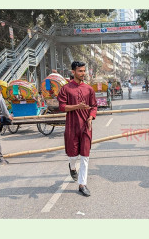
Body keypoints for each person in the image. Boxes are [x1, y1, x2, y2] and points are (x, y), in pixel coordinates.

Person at [57, 61, 97, 197]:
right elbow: (62, 107)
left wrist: (91, 118)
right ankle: (72, 167)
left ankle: (82, 184)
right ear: (73, 72)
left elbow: (94, 106)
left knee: (85, 156)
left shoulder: (89, 89)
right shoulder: (66, 89)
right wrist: (77, 106)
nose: (83, 73)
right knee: (73, 155)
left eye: (84, 71)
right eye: (80, 71)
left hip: (86, 127)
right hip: (72, 127)